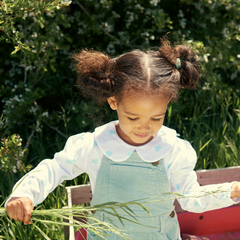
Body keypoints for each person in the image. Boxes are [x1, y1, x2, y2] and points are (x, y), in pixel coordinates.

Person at [6, 40, 240, 240]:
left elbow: (191, 197)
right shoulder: (96, 146)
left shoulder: (171, 150)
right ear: (113, 102)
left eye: (157, 117)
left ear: (167, 105)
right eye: (132, 116)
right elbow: (55, 168)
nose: (144, 126)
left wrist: (232, 190)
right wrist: (25, 193)